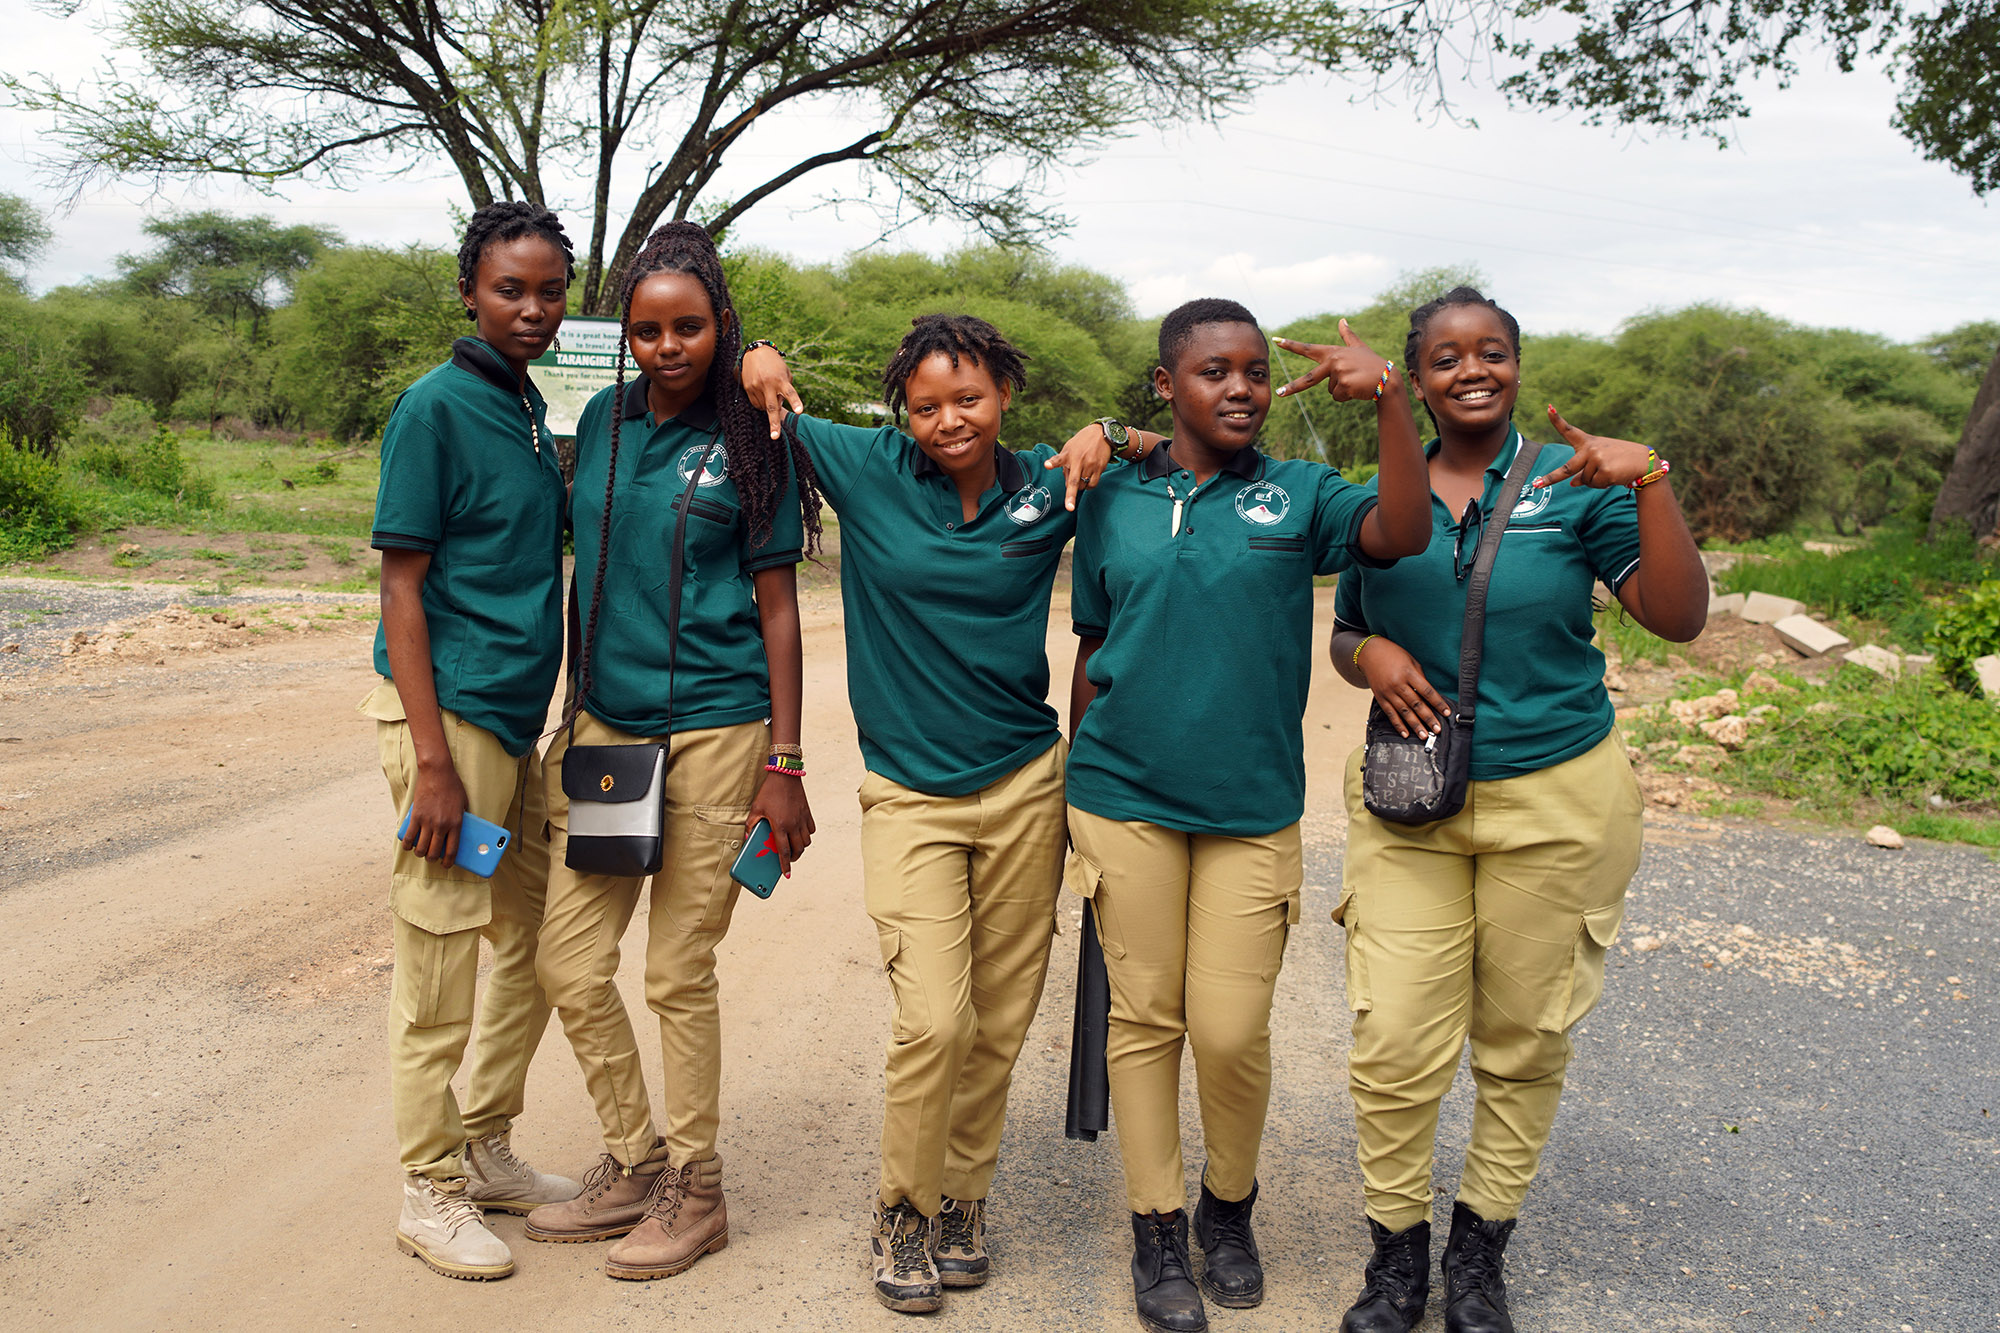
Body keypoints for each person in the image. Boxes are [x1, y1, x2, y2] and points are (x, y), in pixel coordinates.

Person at [1325, 287, 1706, 1333]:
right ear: (1416, 374)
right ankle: (1395, 1258)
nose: (1470, 371)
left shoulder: (1573, 483)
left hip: (1558, 796)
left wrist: (1650, 484)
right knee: (1394, 1037)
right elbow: (1344, 630)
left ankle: (1478, 1254)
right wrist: (1373, 653)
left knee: (1523, 1038)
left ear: (1516, 365)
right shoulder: (1380, 494)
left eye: (1489, 352)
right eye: (1443, 358)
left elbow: (1676, 617)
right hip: (1412, 801)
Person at [1065, 298, 1431, 1333]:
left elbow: (1398, 532)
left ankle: (1229, 1205)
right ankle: (1156, 1226)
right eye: (1213, 371)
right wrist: (1068, 786)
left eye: (1254, 372)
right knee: (1143, 1021)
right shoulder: (1115, 494)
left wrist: (1390, 402)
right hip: (1121, 796)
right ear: (1165, 385)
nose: (1239, 388)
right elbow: (1093, 644)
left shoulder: (1300, 494)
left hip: (1247, 808)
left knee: (1226, 1030)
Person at [759, 314, 1132, 1313]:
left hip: (1023, 783)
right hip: (909, 795)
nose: (946, 419)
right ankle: (902, 1208)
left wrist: (1114, 428)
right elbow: (769, 401)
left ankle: (963, 1199)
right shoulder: (867, 467)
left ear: (1003, 394)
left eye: (967, 398)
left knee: (1000, 1019)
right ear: (902, 413)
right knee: (933, 1016)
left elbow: (1187, 442)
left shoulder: (1049, 485)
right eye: (925, 405)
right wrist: (759, 354)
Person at [518, 222, 822, 1282]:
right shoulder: (599, 420)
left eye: (688, 325)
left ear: (720, 324)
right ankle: (639, 1156)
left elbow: (778, 609)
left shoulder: (751, 434)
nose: (665, 346)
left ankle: (697, 1186)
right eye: (646, 329)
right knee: (569, 955)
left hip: (716, 730)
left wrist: (784, 761)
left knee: (677, 966)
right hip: (609, 733)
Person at [360, 200, 584, 1281]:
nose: (532, 308)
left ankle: (483, 1144)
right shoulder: (436, 407)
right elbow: (401, 587)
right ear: (468, 291)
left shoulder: (533, 409)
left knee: (540, 939)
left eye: (549, 290)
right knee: (439, 959)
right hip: (447, 728)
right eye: (510, 289)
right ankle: (426, 1187)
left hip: (507, 725)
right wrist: (435, 766)